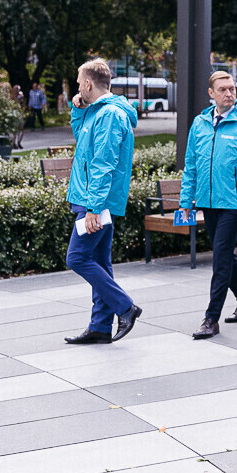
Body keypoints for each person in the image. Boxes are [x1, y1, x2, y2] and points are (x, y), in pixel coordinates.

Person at [180, 70, 237, 340]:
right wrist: (186, 201)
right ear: (211, 93)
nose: (229, 94)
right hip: (208, 201)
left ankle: (211, 318)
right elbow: (191, 165)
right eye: (223, 89)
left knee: (220, 258)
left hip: (233, 203)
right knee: (225, 254)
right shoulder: (200, 123)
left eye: (232, 89)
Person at [62, 58, 142, 345]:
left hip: (96, 201)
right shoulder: (97, 112)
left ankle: (126, 307)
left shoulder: (109, 115)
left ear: (87, 83)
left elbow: (103, 164)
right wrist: (77, 109)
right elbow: (83, 142)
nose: (77, 89)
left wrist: (94, 208)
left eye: (78, 84)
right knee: (99, 262)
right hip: (93, 199)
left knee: (77, 257)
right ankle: (99, 326)